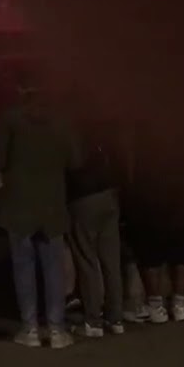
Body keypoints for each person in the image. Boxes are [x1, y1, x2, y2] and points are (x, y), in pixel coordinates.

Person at [0, 77, 78, 348]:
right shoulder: (61, 120)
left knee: (24, 267)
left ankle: (30, 328)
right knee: (53, 269)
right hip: (52, 202)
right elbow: (76, 159)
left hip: (19, 204)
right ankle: (57, 328)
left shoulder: (10, 120)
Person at [122, 126, 184, 324]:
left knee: (150, 256)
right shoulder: (182, 138)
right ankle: (179, 304)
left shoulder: (143, 141)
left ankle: (156, 305)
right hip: (181, 200)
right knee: (182, 254)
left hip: (151, 201)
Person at [65, 121, 125, 338]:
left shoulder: (66, 133)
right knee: (111, 261)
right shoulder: (97, 131)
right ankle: (116, 317)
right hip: (107, 194)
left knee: (87, 260)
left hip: (82, 198)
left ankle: (93, 321)